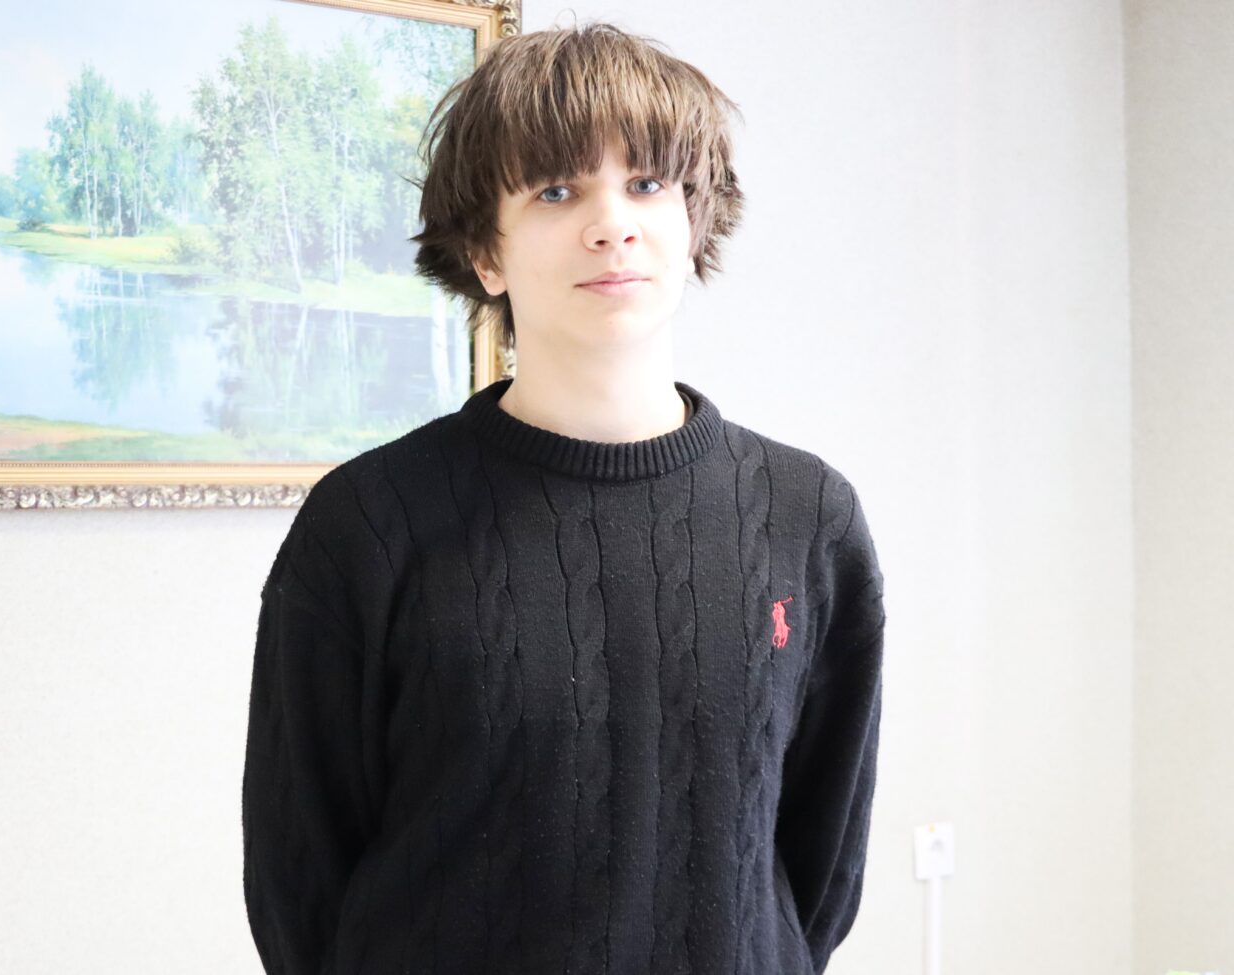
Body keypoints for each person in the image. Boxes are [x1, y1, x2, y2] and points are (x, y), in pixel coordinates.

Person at [242, 20, 886, 975]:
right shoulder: (368, 524)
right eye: (556, 190)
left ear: (693, 223)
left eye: (648, 183)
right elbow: (301, 882)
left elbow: (816, 871)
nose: (611, 223)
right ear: (485, 254)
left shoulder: (808, 518)